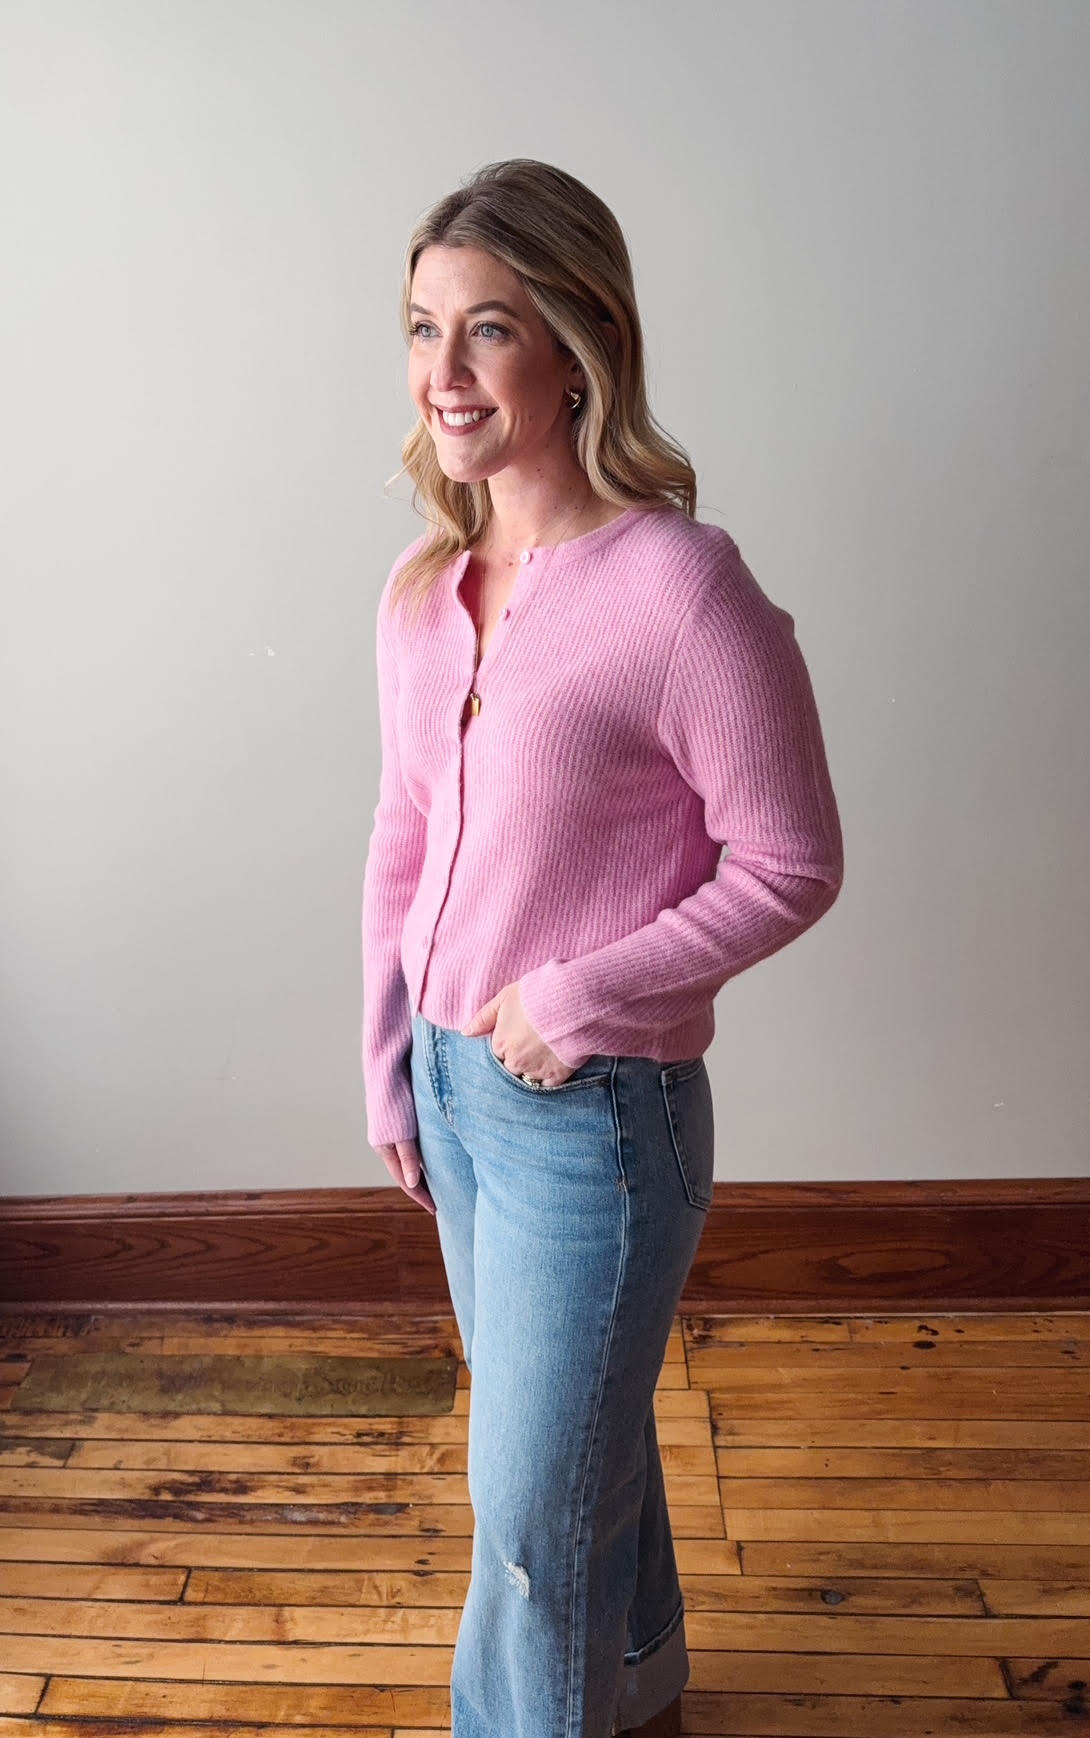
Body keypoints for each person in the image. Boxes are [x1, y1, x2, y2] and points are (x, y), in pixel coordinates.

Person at [362, 158, 844, 1738]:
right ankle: (635, 1688)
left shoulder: (679, 589)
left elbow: (790, 859)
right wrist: (389, 1059)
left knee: (524, 1521)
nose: (442, 375)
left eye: (485, 331)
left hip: (595, 1118)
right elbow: (406, 840)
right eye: (422, 327)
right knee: (574, 1450)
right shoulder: (426, 591)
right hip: (453, 1090)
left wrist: (577, 991)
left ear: (575, 347)